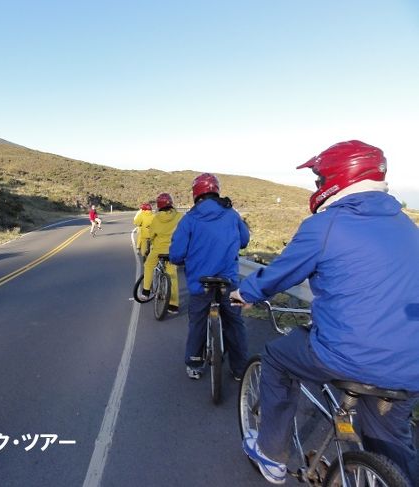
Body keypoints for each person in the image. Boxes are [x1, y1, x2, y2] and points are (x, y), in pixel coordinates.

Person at [230, 140, 419, 485]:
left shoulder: (326, 225)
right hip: (410, 362)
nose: (317, 187)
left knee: (275, 357)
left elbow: (280, 273)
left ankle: (272, 456)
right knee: (391, 445)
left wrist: (245, 292)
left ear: (337, 179)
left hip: (349, 354)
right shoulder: (406, 225)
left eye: (319, 179)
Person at [169, 173, 250, 380]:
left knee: (197, 320)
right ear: (216, 190)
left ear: (196, 194)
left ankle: (194, 364)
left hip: (199, 283)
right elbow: (244, 240)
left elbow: (177, 253)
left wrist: (180, 260)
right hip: (228, 280)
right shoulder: (231, 214)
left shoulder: (189, 218)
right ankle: (240, 370)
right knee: (234, 322)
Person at [137, 193, 182, 314]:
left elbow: (151, 235)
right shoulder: (179, 216)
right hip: (173, 250)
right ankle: (173, 305)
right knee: (172, 275)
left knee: (148, 266)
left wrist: (150, 242)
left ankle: (146, 292)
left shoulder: (156, 218)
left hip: (158, 250)